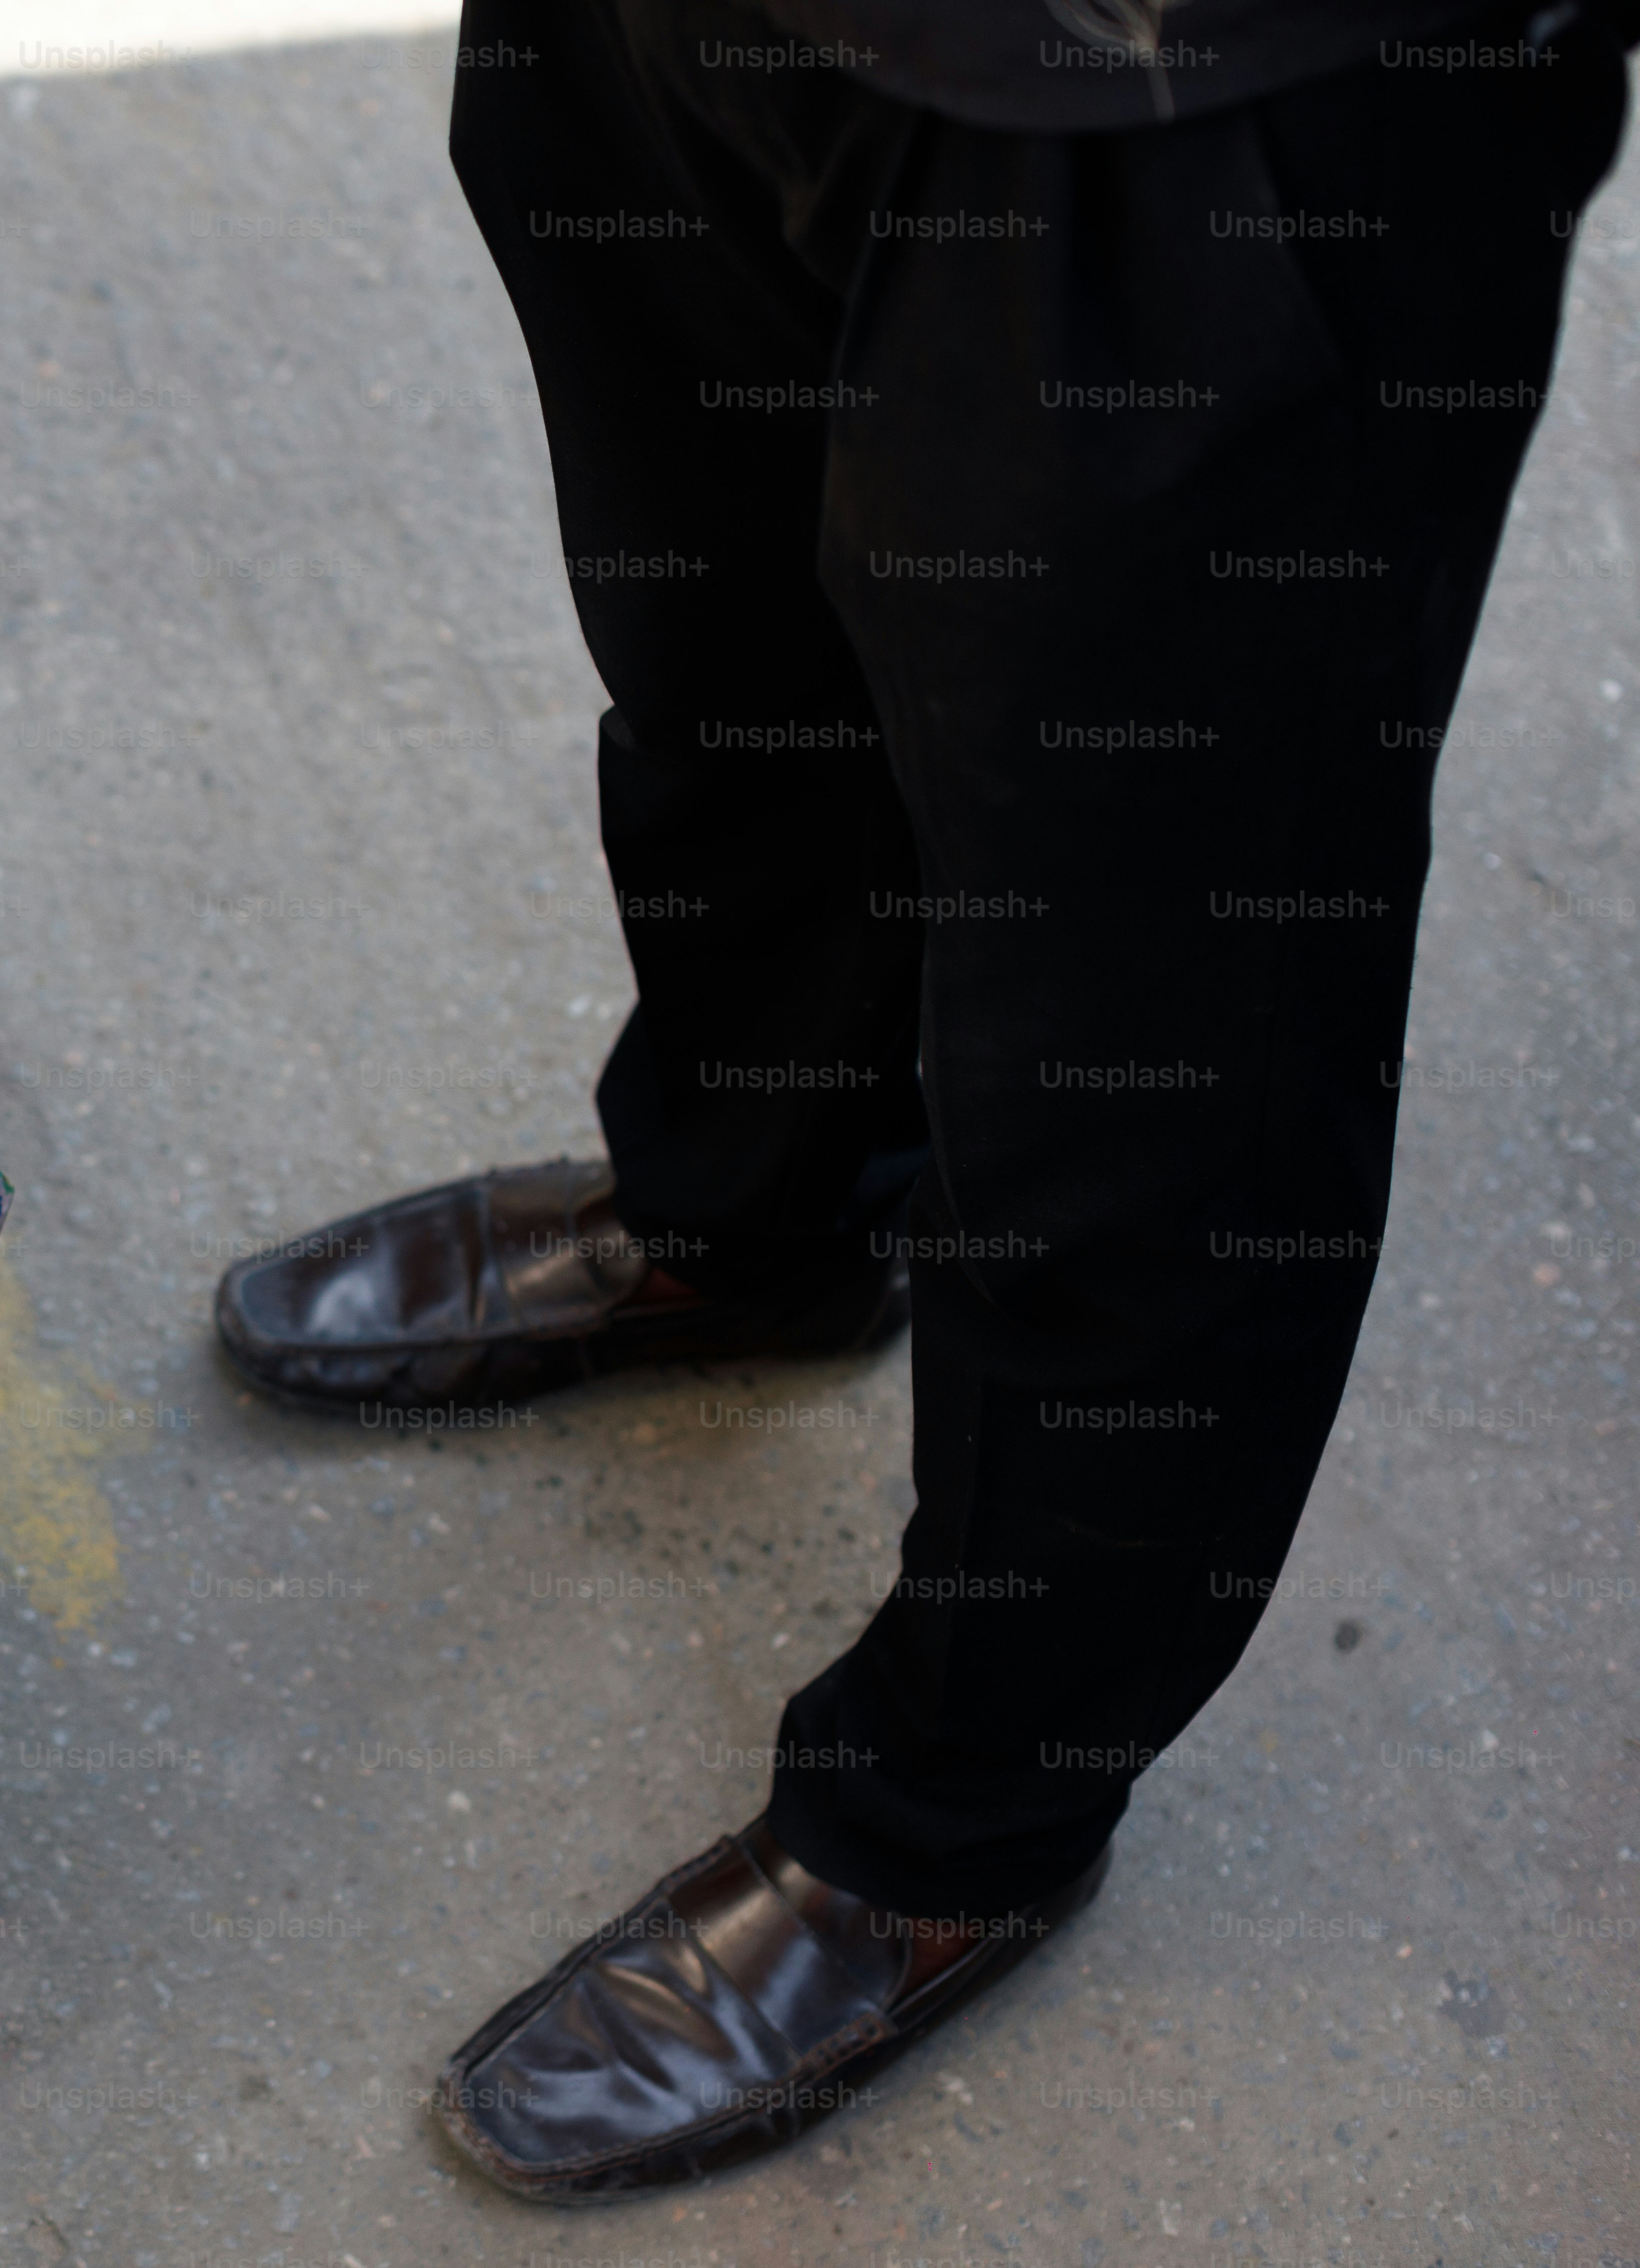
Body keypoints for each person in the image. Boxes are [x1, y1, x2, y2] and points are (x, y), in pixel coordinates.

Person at [211, 0, 1632, 2203]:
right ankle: (751, 1211)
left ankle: (970, 1799)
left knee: (1151, 1001)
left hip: (1214, 98)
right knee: (728, 650)